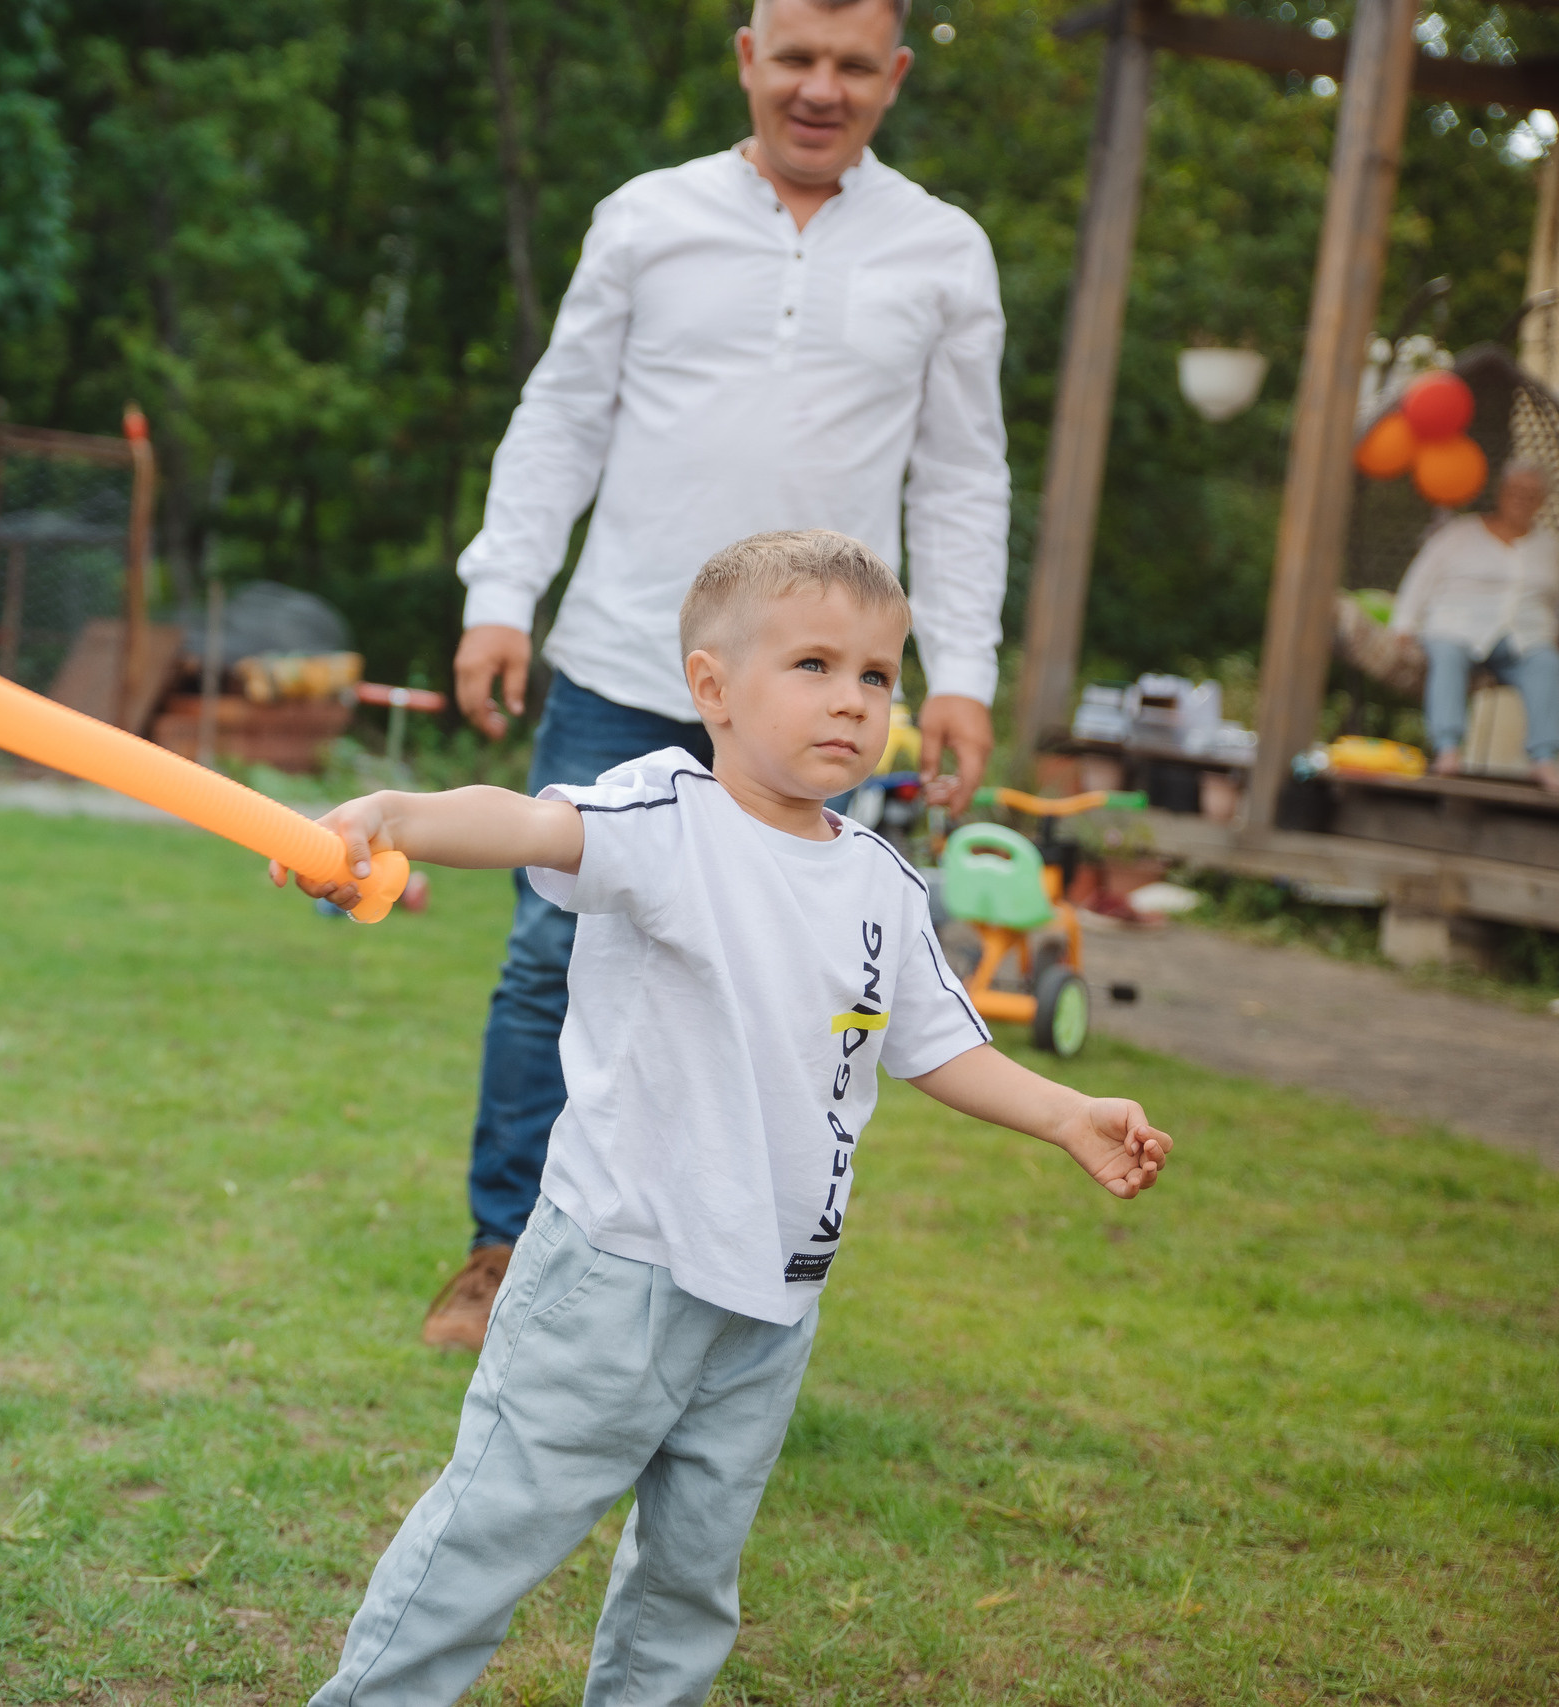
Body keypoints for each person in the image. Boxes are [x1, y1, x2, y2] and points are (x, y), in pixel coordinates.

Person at [280, 530, 1172, 1707]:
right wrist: (396, 814)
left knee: (689, 1583)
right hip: (617, 1276)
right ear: (713, 688)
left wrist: (1067, 1115)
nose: (851, 701)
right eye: (812, 665)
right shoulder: (668, 818)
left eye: (875, 675)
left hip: (772, 1298)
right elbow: (532, 824)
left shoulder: (881, 882)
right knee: (491, 1534)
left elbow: (936, 1042)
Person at [429, 0, 1013, 1349]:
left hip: (808, 698)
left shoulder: (943, 251)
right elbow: (561, 414)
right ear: (748, 58)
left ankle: (715, 1274)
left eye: (852, 66)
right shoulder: (647, 218)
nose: (820, 88)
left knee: (782, 988)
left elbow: (963, 477)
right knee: (549, 952)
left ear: (895, 76)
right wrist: (501, 594)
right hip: (624, 654)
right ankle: (503, 1251)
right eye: (795, 57)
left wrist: (964, 669)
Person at [1390, 459, 1559, 791]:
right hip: (1457, 628)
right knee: (1447, 655)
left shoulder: (1550, 548)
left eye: (1531, 494)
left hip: (1524, 639)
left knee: (1547, 664)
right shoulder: (1460, 533)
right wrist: (1403, 626)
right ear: (1501, 492)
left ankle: (1544, 758)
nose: (1522, 499)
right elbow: (1420, 578)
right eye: (1516, 491)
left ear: (1541, 501)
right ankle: (1448, 748)